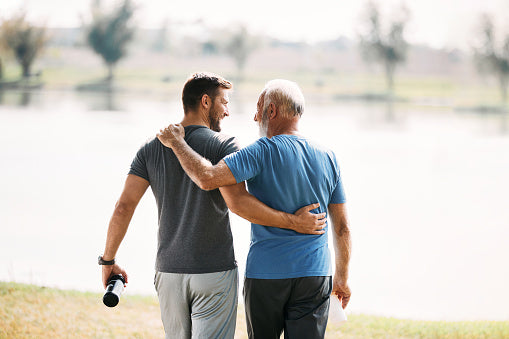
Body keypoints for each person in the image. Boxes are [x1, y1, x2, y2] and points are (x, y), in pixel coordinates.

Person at [99, 73, 327, 339]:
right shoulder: (225, 145)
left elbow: (123, 207)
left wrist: (108, 261)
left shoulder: (151, 148)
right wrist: (293, 222)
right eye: (224, 103)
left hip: (168, 271)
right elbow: (239, 203)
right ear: (205, 102)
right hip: (214, 272)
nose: (228, 111)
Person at [157, 79, 352, 339]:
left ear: (271, 111)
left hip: (266, 275)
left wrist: (177, 143)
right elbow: (342, 227)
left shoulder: (260, 152)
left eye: (258, 109)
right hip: (315, 275)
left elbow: (207, 178)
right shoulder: (328, 156)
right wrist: (341, 278)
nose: (254, 117)